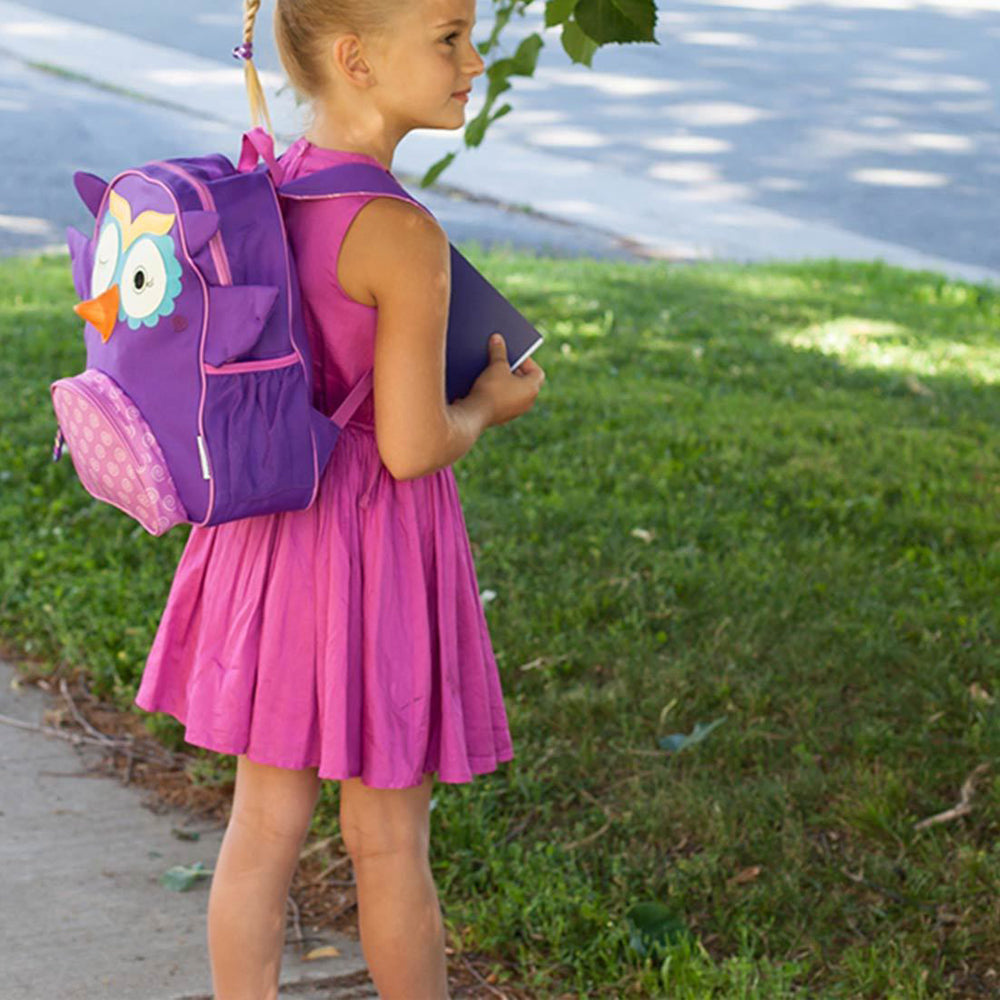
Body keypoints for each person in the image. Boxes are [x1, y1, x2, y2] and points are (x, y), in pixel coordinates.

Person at [132, 0, 546, 997]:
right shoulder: (401, 234)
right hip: (372, 555)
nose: (474, 58)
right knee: (390, 841)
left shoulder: (263, 187)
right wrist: (486, 405)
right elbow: (409, 447)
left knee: (262, 823)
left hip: (270, 538)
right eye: (449, 36)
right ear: (357, 59)